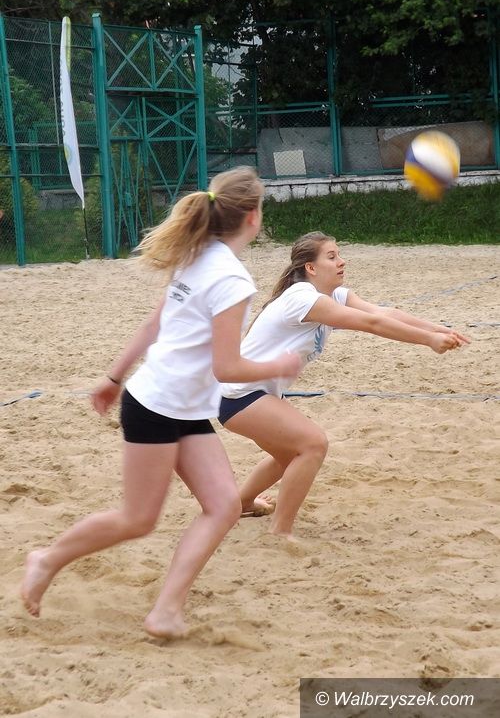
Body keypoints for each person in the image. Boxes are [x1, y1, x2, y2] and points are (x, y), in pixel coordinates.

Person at [20, 167, 301, 638]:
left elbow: (155, 325)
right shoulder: (231, 277)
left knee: (224, 506)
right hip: (156, 406)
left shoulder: (198, 255)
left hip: (181, 406)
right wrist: (279, 363)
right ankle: (46, 559)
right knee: (137, 519)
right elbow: (227, 367)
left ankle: (166, 610)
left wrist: (114, 377)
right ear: (253, 217)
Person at [219, 231, 470, 539]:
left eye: (339, 255)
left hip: (253, 394)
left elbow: (382, 313)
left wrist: (439, 329)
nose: (341, 261)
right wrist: (428, 340)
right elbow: (371, 324)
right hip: (240, 395)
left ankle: (242, 503)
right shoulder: (301, 298)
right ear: (311, 268)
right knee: (312, 445)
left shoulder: (332, 295)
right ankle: (280, 531)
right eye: (332, 256)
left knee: (288, 457)